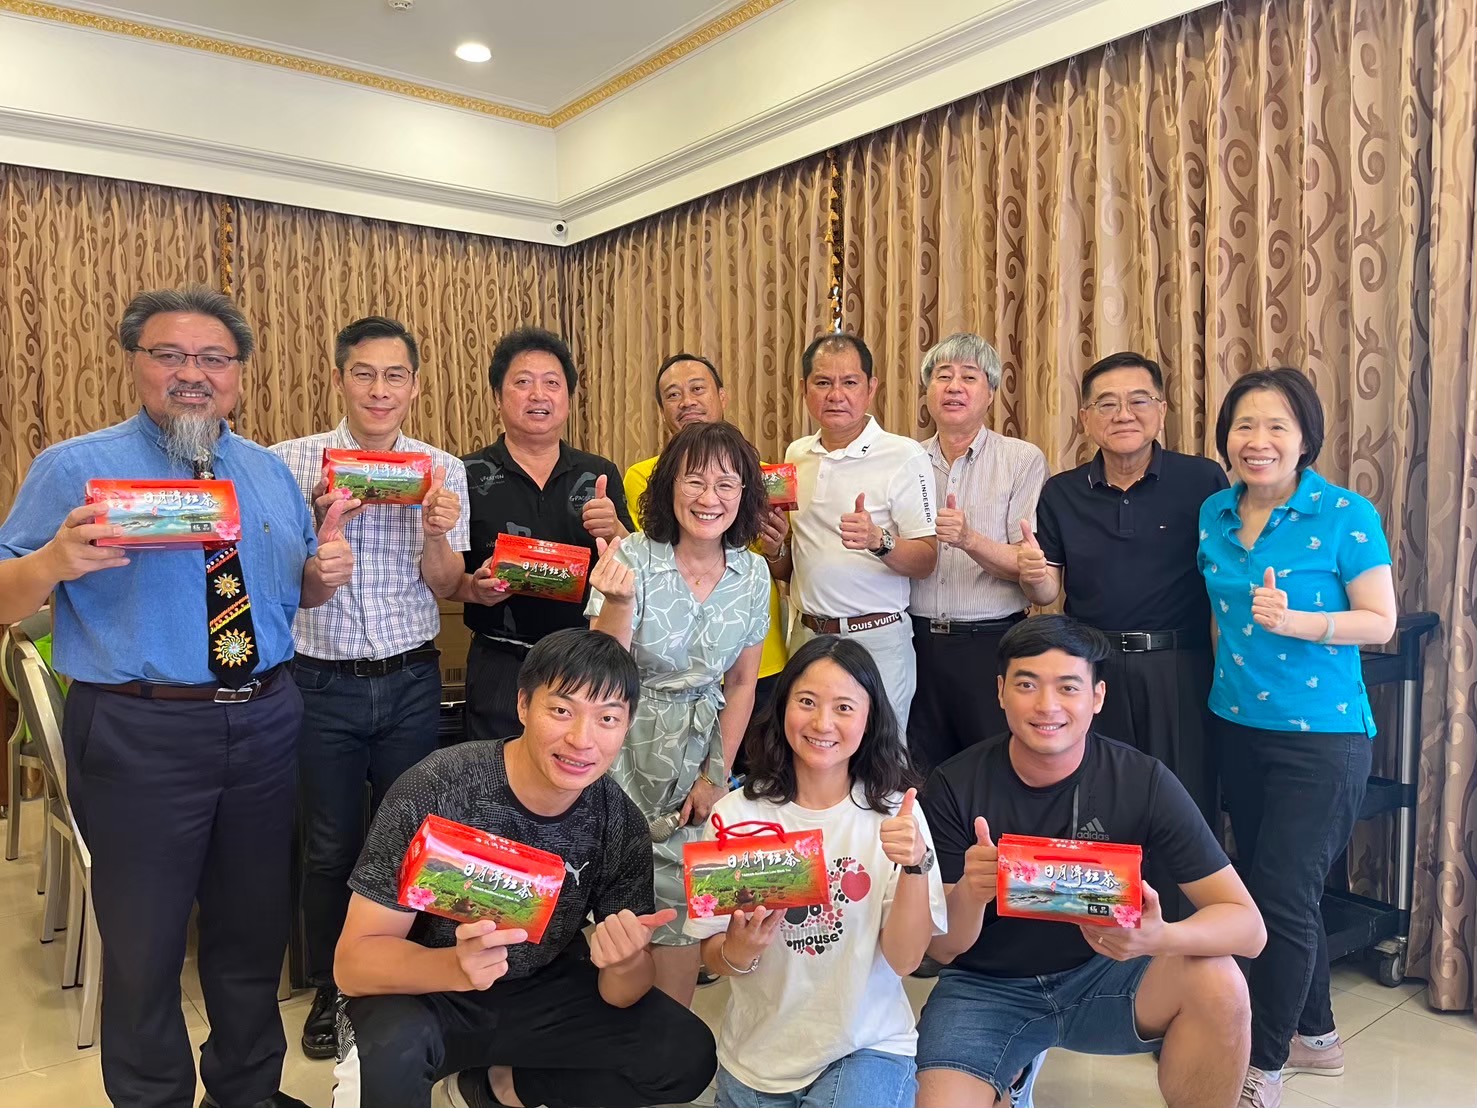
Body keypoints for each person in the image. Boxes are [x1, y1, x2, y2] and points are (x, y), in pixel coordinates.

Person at [0, 287, 353, 1108]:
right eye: (170, 355)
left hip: (265, 720)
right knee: (144, 945)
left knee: (251, 932)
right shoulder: (76, 469)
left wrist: (321, 575)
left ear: (238, 373)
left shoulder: (268, 473)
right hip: (140, 729)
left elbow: (291, 595)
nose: (192, 374)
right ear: (136, 364)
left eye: (213, 359)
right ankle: (153, 1097)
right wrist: (52, 562)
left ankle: (247, 1091)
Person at [329, 628, 716, 1108]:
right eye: (561, 710)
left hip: (540, 987)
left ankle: (496, 1089)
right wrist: (454, 966)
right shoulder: (437, 788)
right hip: (425, 989)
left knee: (684, 1055)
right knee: (387, 1060)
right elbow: (353, 965)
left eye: (607, 718)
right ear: (523, 705)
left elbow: (622, 994)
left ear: (627, 726)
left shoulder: (618, 820)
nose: (581, 740)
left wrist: (626, 962)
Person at [916, 615, 1266, 1108]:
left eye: (1068, 687)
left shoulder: (1142, 780)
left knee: (1220, 983)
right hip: (986, 989)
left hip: (1106, 975)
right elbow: (942, 948)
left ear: (1097, 697)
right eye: (1027, 685)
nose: (1047, 705)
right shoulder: (954, 785)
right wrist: (971, 894)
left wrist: (1159, 938)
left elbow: (1249, 929)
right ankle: (1012, 1069)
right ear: (1000, 692)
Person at [270, 315, 471, 1060]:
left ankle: (402, 977)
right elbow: (271, 580)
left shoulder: (440, 470)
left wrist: (437, 532)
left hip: (411, 678)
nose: (379, 390)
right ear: (339, 380)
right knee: (329, 845)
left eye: (394, 376)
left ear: (414, 385)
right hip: (318, 681)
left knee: (412, 841)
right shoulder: (289, 464)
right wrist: (314, 530)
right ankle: (333, 984)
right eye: (363, 373)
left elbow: (447, 584)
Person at [1198, 368, 1397, 1108]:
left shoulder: (1344, 514)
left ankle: (1263, 1065)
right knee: (1274, 888)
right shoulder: (1214, 513)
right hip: (1237, 727)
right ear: (1226, 439)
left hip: (1322, 739)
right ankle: (1317, 1035)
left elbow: (1379, 621)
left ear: (1305, 438)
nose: (1258, 441)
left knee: (1282, 896)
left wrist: (1299, 622)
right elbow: (1219, 619)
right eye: (1244, 426)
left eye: (1276, 426)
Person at [684, 635, 948, 1108]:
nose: (823, 723)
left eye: (844, 707)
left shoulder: (896, 814)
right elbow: (713, 957)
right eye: (806, 701)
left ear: (870, 720)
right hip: (758, 1056)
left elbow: (906, 960)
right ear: (783, 706)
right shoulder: (734, 816)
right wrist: (739, 951)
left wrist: (915, 866)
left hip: (867, 1045)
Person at [1021, 351, 1228, 914]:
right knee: (1096, 799)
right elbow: (1047, 590)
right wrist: (1033, 574)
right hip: (1093, 670)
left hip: (1179, 666)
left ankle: (1183, 936)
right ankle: (1099, 933)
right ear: (1085, 418)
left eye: (1139, 400)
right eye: (1106, 403)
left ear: (1161, 409)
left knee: (1185, 802)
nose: (1123, 414)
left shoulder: (1203, 480)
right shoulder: (1061, 492)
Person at [587, 421, 772, 1006]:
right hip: (620, 744)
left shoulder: (753, 574)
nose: (708, 497)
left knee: (681, 911)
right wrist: (619, 601)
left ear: (744, 495)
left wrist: (717, 774)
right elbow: (602, 673)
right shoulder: (632, 558)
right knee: (614, 899)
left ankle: (666, 1039)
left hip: (698, 753)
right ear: (669, 485)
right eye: (694, 480)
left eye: (725, 484)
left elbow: (742, 683)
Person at [456, 326, 633, 744]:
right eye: (522, 382)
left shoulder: (598, 472)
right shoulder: (465, 473)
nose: (538, 395)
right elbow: (445, 579)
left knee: (576, 769)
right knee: (492, 772)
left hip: (583, 662)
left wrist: (616, 529)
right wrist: (473, 587)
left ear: (568, 398)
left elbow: (635, 565)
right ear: (497, 397)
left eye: (552, 383)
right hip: (500, 660)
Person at [764, 333, 938, 733]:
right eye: (823, 382)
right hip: (807, 636)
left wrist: (880, 541)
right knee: (809, 747)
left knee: (881, 755)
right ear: (804, 389)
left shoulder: (904, 455)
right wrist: (775, 550)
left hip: (877, 638)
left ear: (871, 388)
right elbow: (794, 566)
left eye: (850, 382)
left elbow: (927, 560)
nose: (836, 395)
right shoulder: (795, 454)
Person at [624, 353, 790, 755]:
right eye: (673, 394)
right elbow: (661, 555)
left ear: (722, 396)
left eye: (697, 389)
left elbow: (782, 569)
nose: (687, 401)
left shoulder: (765, 477)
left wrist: (776, 548)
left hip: (753, 659)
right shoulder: (644, 477)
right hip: (668, 668)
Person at [908, 332, 1048, 772]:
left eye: (969, 377)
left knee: (993, 770)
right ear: (927, 390)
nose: (954, 387)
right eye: (943, 376)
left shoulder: (1021, 459)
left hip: (990, 642)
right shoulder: (905, 460)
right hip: (913, 642)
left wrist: (969, 539)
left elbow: (1027, 566)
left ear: (990, 392)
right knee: (919, 772)